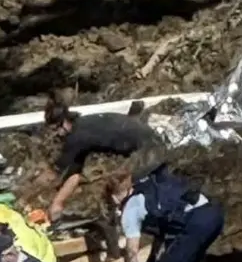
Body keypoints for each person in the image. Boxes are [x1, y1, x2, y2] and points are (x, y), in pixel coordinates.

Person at [44, 93, 165, 222]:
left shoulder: (76, 137)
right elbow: (74, 173)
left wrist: (57, 202)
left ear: (65, 122)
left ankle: (127, 227)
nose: (57, 134)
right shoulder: (83, 124)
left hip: (150, 149)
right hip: (147, 137)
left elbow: (65, 175)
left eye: (57, 128)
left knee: (117, 191)